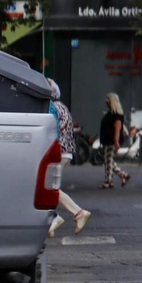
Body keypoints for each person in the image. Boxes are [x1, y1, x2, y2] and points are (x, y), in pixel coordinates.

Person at [45, 79, 93, 238]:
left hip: (57, 151)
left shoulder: (51, 107)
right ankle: (52, 218)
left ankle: (76, 213)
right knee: (49, 187)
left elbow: (51, 131)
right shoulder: (62, 107)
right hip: (65, 151)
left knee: (48, 188)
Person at [99, 93, 132, 189]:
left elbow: (118, 128)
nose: (106, 101)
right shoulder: (110, 113)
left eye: (108, 99)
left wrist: (116, 141)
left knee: (108, 160)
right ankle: (123, 175)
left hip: (111, 141)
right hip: (106, 140)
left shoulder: (117, 114)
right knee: (108, 160)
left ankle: (109, 181)